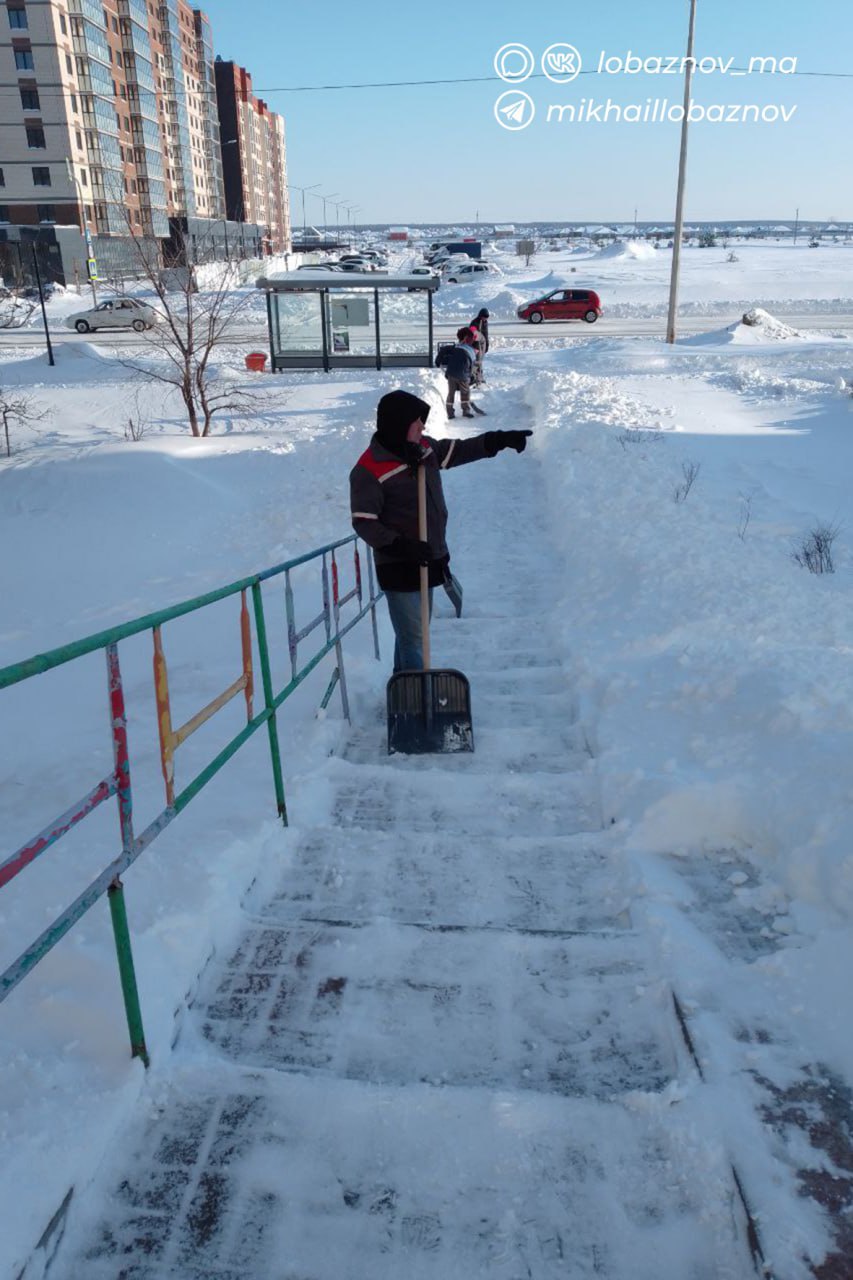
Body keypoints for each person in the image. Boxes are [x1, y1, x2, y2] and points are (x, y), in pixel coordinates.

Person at [350, 389, 532, 671]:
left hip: (426, 557)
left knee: (413, 635)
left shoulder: (422, 450)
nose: (423, 426)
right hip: (398, 564)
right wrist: (401, 546)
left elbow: (456, 451)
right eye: (417, 421)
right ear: (399, 424)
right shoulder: (369, 469)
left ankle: (404, 696)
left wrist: (497, 439)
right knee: (414, 639)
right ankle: (417, 703)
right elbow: (364, 522)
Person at [442, 326, 479, 418]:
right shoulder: (471, 350)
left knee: (451, 393)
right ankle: (466, 411)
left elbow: (447, 354)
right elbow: (472, 367)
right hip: (463, 375)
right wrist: (471, 377)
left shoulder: (456, 347)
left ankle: (450, 413)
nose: (472, 341)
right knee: (465, 393)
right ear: (467, 338)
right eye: (471, 339)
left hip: (451, 374)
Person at [469, 308, 490, 385]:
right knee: (477, 362)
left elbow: (486, 334)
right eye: (484, 316)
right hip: (475, 346)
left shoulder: (485, 322)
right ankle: (476, 378)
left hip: (482, 345)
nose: (485, 318)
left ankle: (479, 377)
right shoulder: (475, 322)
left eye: (487, 317)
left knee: (480, 362)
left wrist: (487, 344)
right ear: (480, 315)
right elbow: (472, 334)